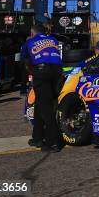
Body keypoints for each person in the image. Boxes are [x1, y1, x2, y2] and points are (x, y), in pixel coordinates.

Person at [23, 24, 63, 152]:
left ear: (32, 33)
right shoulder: (53, 39)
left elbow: (25, 61)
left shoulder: (30, 41)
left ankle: (54, 142)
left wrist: (32, 72)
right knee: (40, 105)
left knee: (46, 109)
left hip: (42, 72)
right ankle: (37, 138)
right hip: (57, 72)